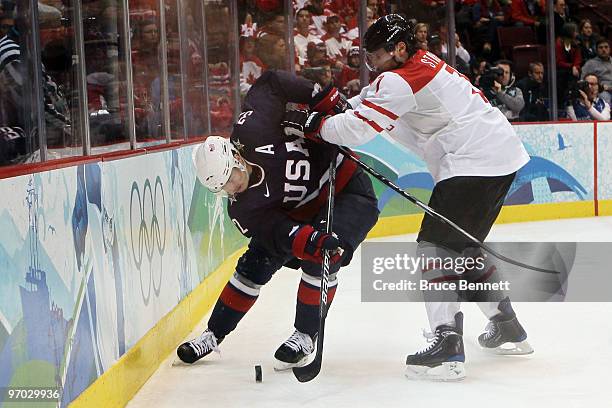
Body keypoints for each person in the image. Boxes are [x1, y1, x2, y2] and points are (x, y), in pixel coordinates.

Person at [282, 14, 532, 381]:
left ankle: (448, 345)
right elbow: (364, 105)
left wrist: (316, 127)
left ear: (400, 49)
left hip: (474, 162)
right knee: (462, 249)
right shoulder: (414, 67)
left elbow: (356, 129)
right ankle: (505, 323)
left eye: (377, 56)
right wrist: (333, 109)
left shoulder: (401, 79)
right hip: (496, 157)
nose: (372, 65)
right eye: (367, 58)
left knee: (435, 249)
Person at [176, 71, 379, 369]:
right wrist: (309, 239)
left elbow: (271, 82)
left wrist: (324, 99)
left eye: (229, 179)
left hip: (345, 190)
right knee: (253, 266)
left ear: (236, 158)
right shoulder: (243, 210)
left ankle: (305, 335)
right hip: (295, 214)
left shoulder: (253, 129)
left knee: (323, 258)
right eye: (221, 189)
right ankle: (212, 335)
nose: (230, 189)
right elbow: (280, 233)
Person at [581, 39, 611, 105]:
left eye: (606, 47)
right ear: (596, 50)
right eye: (601, 47)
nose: (604, 50)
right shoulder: (590, 64)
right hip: (602, 91)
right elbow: (583, 81)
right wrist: (598, 87)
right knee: (605, 98)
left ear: (610, 49)